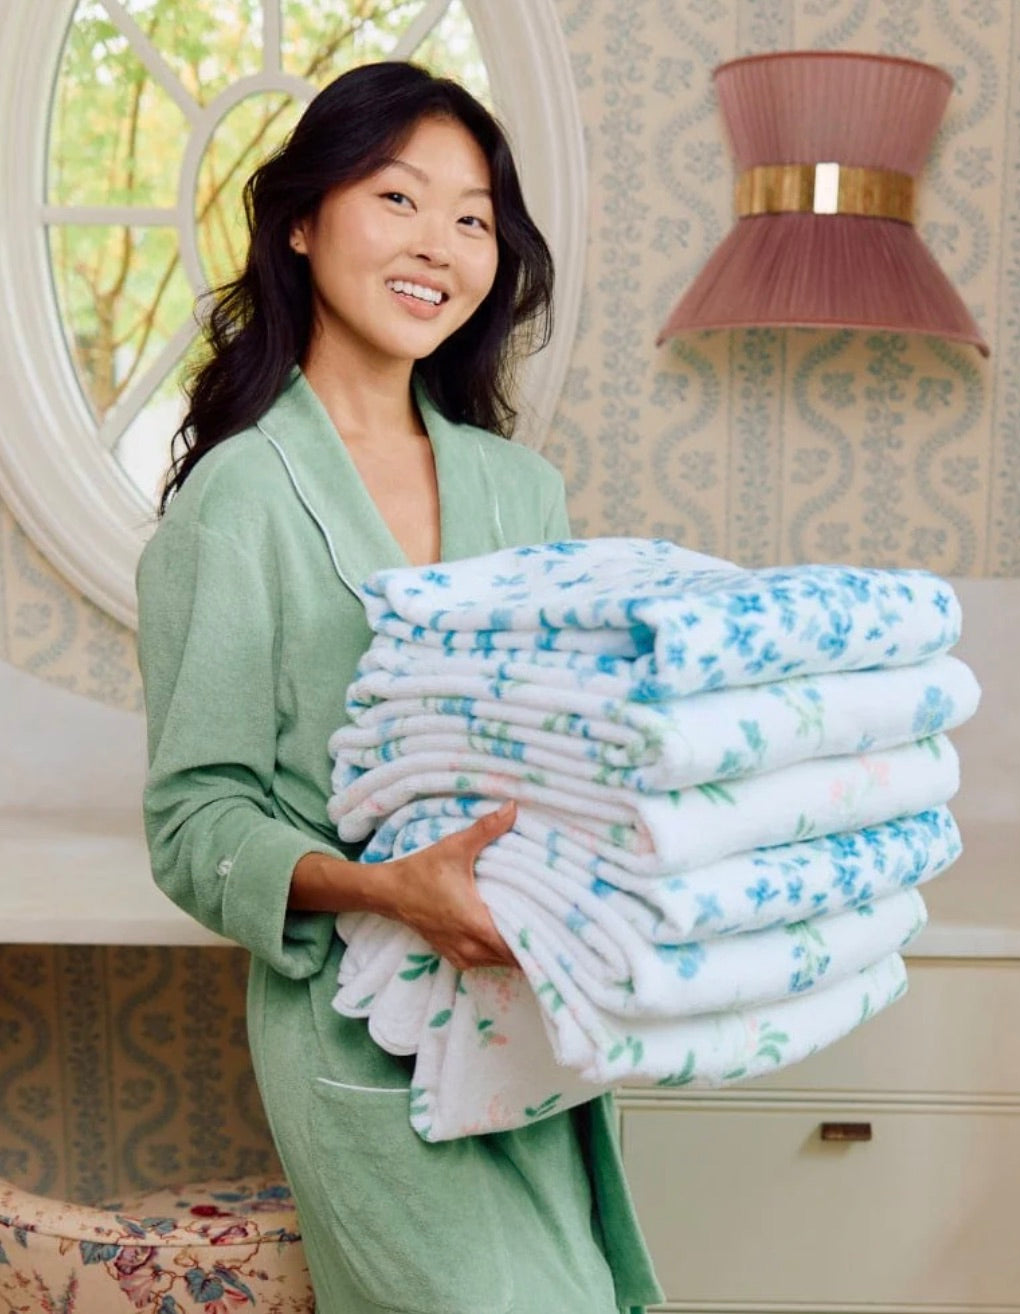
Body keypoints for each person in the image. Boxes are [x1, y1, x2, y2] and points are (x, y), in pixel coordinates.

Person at [135, 61, 662, 1314]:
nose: (442, 244)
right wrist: (388, 890)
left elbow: (567, 750)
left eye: (474, 218)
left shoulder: (520, 492)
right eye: (400, 199)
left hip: (537, 1018)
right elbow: (194, 821)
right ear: (304, 221)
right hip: (363, 1039)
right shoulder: (240, 503)